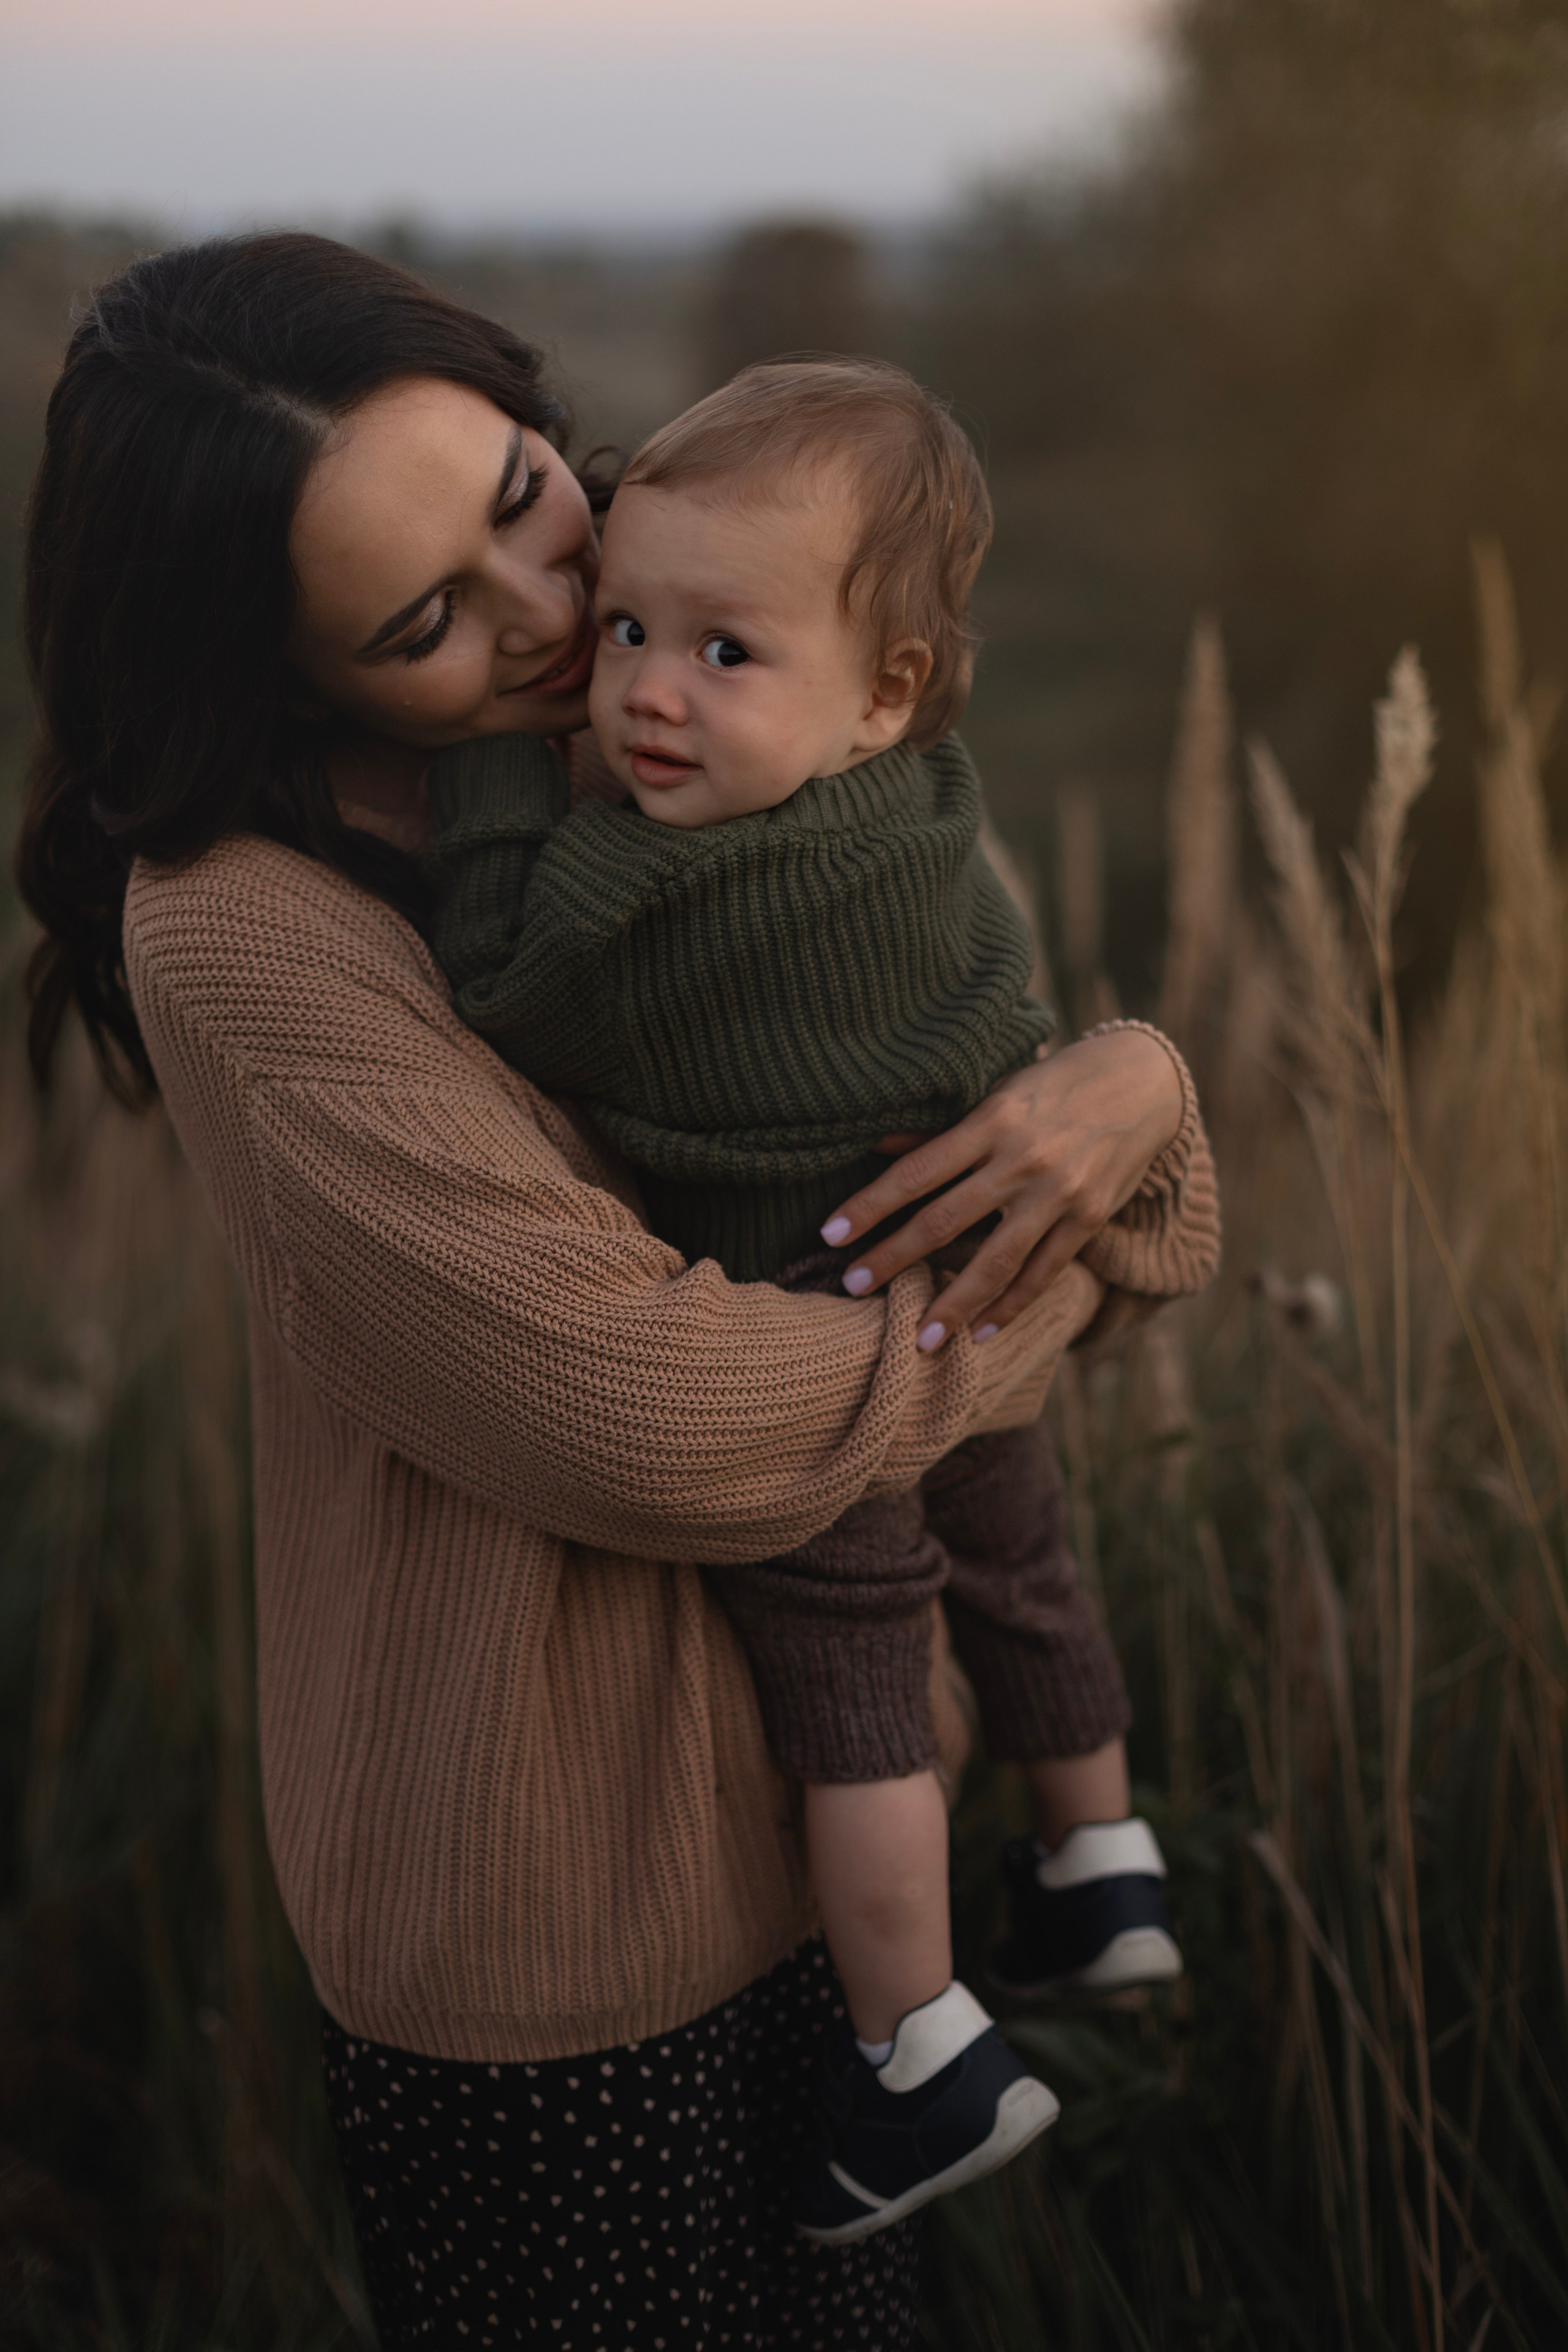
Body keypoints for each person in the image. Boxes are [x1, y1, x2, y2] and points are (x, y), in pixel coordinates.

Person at [16, 232, 1218, 2349]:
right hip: (558, 1944)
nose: (558, 622)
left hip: (832, 1848)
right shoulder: (246, 933)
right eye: (424, 625)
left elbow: (957, 1081)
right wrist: (1044, 1250)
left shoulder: (692, 714)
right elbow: (648, 1420)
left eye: (518, 500)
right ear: (285, 675)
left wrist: (1136, 1082)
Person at [421, 358, 1213, 2245]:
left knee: (857, 1693)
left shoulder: (651, 883)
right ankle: (1103, 1867)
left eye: (721, 653)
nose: (643, 693)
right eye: (628, 629)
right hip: (993, 1293)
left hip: (829, 1331)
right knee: (1022, 1568)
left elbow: (507, 992)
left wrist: (486, 788)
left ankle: (915, 2047)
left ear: (883, 693)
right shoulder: (919, 798)